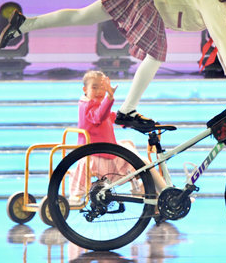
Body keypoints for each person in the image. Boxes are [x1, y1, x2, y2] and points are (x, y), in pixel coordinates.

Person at [0, 0, 226, 131]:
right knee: (156, 53)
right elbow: (223, 38)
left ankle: (24, 25)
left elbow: (220, 38)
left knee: (83, 16)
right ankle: (127, 111)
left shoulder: (215, 0)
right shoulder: (216, 2)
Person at [69, 70, 166, 199]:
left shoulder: (90, 104)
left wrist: (131, 121)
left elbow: (111, 116)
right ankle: (164, 193)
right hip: (99, 155)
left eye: (102, 88)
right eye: (94, 87)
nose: (99, 91)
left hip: (101, 150)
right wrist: (109, 97)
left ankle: (146, 191)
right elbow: (99, 116)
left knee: (132, 152)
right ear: (85, 89)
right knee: (143, 162)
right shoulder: (89, 106)